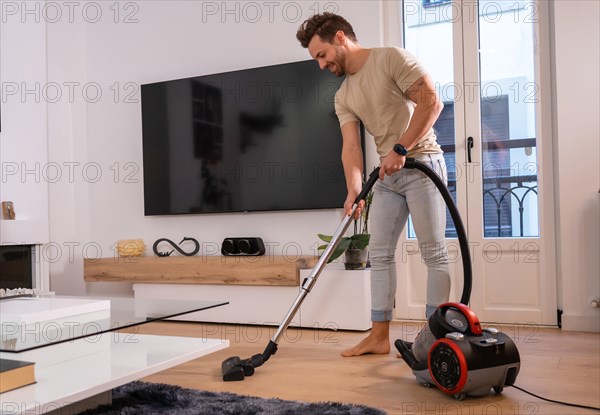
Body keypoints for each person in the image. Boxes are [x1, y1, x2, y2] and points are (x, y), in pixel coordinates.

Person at [296, 12, 451, 357]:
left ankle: (436, 339)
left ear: (340, 38)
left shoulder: (391, 58)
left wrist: (400, 148)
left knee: (433, 252)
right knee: (378, 255)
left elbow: (431, 102)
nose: (321, 66)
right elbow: (351, 147)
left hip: (422, 163)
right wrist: (353, 189)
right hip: (387, 177)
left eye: (321, 55)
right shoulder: (344, 95)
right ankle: (379, 337)